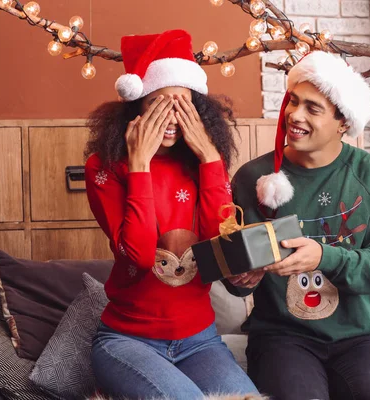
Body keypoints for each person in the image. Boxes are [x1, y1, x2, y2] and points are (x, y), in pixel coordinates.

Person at [84, 29, 259, 399]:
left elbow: (222, 247)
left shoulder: (203, 164)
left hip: (200, 341)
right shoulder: (104, 167)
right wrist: (139, 165)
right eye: (160, 104)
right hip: (127, 341)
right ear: (138, 106)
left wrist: (211, 159)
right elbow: (140, 254)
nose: (172, 118)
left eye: (182, 105)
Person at [228, 50, 370, 400]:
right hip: (281, 336)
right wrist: (238, 277)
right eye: (293, 101)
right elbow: (239, 283)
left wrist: (323, 257)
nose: (294, 115)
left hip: (356, 337)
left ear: (343, 122)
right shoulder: (253, 178)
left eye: (312, 108)